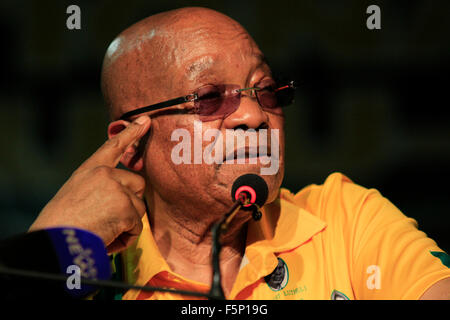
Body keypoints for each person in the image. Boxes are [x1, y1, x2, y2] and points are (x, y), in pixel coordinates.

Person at [28, 7, 449, 300]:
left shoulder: (344, 220)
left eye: (265, 90)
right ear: (133, 144)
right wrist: (42, 254)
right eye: (210, 97)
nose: (254, 115)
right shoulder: (89, 268)